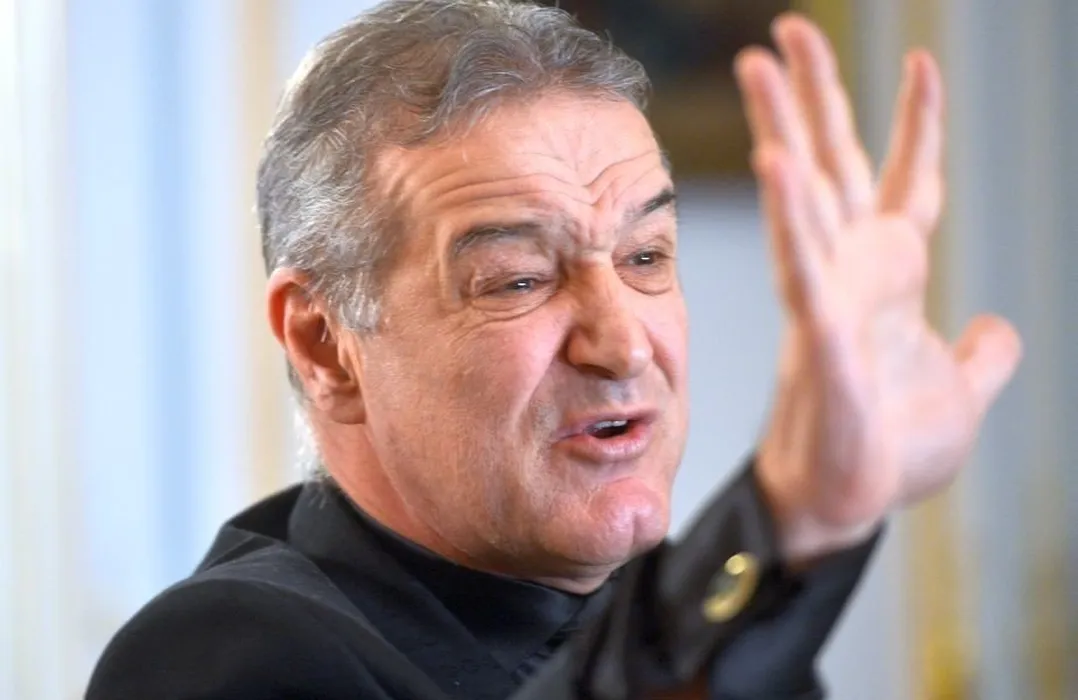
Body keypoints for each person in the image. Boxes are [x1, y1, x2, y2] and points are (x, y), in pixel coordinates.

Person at [86, 1, 1022, 698]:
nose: (622, 345)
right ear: (325, 344)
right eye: (520, 279)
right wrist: (789, 520)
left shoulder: (671, 619)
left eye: (645, 257)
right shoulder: (222, 657)